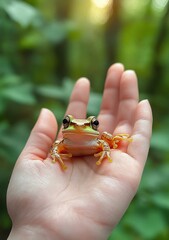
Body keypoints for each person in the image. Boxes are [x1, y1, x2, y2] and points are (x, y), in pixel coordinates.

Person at [7, 63, 152, 240]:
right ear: (65, 126)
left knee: (108, 137)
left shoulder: (96, 141)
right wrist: (56, 155)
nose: (78, 127)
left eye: (93, 123)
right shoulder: (63, 143)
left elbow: (103, 141)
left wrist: (107, 148)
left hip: (92, 143)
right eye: (68, 123)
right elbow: (55, 147)